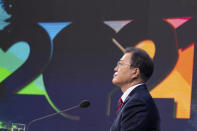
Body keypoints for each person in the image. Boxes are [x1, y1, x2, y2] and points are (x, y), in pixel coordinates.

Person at [110, 47, 160, 131]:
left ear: (135, 72)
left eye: (120, 64)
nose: (115, 69)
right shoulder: (134, 100)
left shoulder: (138, 103)